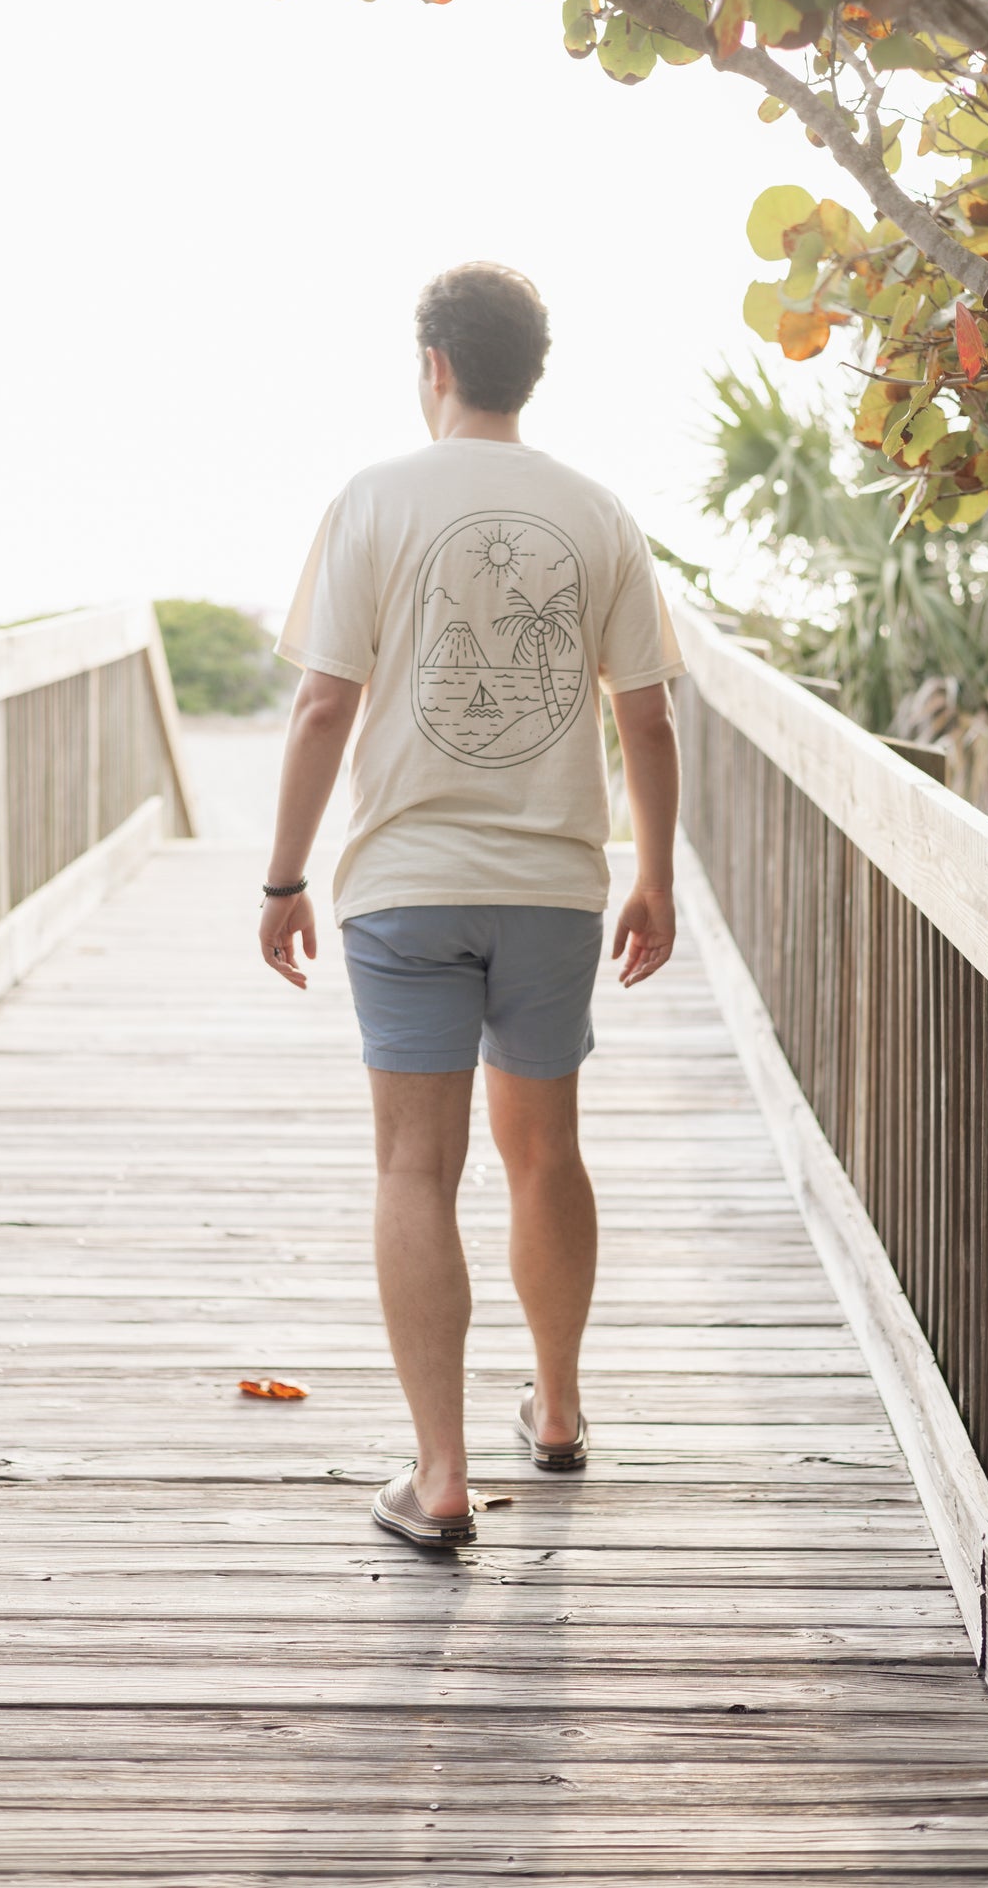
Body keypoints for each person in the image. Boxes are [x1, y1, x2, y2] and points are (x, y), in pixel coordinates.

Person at [261, 261, 684, 1549]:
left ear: (432, 365)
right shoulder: (597, 512)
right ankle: (555, 1414)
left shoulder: (373, 498)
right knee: (543, 1149)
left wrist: (282, 877)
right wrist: (654, 873)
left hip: (403, 887)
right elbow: (646, 715)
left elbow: (325, 704)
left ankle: (439, 1477)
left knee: (415, 1164)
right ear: (529, 373)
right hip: (553, 883)